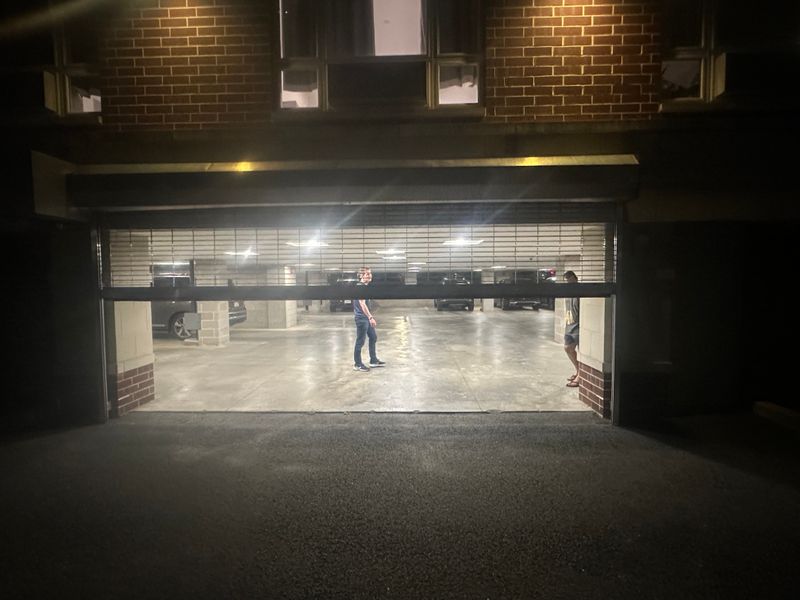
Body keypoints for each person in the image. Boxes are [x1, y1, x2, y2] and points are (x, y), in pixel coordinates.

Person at [352, 267, 385, 372]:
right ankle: (357, 364)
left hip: (365, 318)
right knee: (360, 341)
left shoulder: (365, 287)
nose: (369, 275)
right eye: (367, 274)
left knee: (373, 337)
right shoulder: (360, 287)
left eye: (370, 273)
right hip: (361, 318)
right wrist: (370, 317)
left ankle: (373, 361)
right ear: (361, 276)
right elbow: (362, 304)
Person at [563, 271, 580, 387]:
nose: (568, 281)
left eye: (570, 278)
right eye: (566, 280)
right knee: (567, 348)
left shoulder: (580, 291)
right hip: (569, 324)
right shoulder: (567, 292)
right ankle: (579, 371)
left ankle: (580, 374)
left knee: (572, 347)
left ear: (575, 278)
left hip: (578, 325)